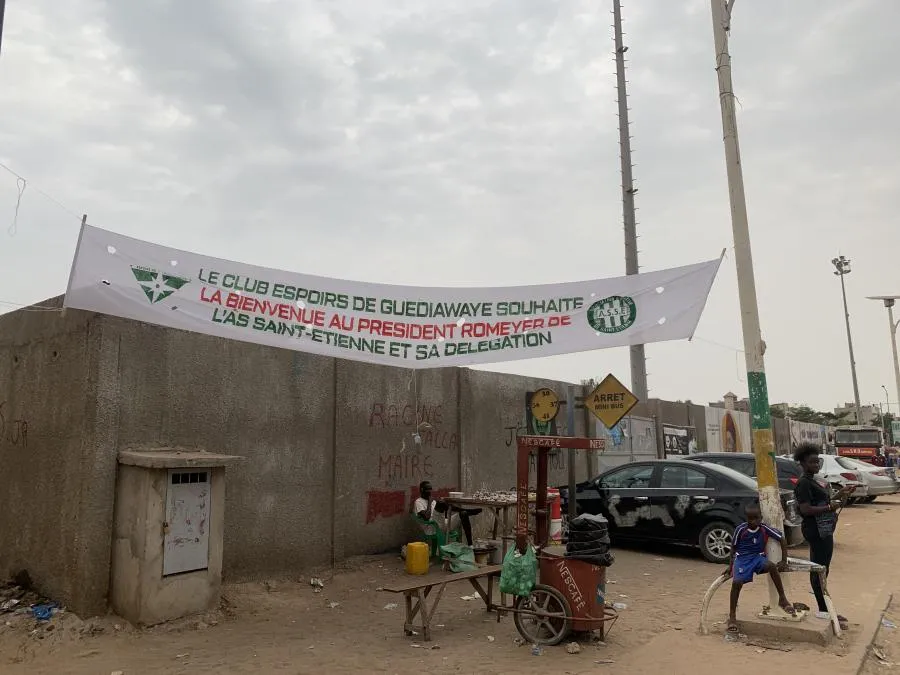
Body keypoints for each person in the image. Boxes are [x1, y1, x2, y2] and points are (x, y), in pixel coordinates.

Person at [793, 442, 853, 629]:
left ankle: (826, 609)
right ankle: (824, 611)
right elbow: (806, 509)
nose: (816, 465)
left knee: (823, 570)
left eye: (817, 461)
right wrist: (829, 507)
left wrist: (840, 494)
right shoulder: (804, 482)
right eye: (811, 462)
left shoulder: (814, 479)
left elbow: (823, 502)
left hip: (824, 529)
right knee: (819, 570)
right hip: (815, 530)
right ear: (802, 463)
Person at [726, 503, 794, 633]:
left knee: (771, 566)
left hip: (757, 558)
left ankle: (782, 599)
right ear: (747, 519)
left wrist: (784, 560)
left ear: (761, 517)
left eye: (756, 518)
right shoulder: (741, 529)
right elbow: (733, 548)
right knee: (736, 582)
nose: (754, 521)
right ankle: (732, 616)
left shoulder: (764, 528)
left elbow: (782, 539)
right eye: (751, 519)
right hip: (742, 559)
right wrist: (731, 566)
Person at [414, 481, 480, 546]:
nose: (430, 491)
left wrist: (432, 501)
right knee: (440, 503)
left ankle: (470, 545)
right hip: (432, 527)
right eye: (428, 489)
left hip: (443, 523)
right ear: (422, 490)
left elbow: (448, 508)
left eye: (431, 489)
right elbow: (426, 517)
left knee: (463, 513)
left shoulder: (433, 500)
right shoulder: (418, 502)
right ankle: (469, 512)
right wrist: (429, 502)